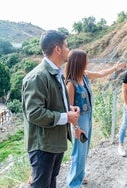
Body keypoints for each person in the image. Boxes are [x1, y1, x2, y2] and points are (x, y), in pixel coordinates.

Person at [22, 30, 80, 188]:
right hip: (43, 146)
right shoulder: (37, 77)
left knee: (51, 182)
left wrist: (69, 108)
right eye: (66, 46)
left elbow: (54, 102)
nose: (69, 50)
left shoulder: (56, 74)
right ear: (58, 49)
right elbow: (34, 113)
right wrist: (65, 117)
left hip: (54, 142)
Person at [64, 49, 126, 188]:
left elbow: (101, 73)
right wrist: (76, 128)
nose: (88, 62)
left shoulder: (84, 75)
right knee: (79, 152)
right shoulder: (70, 84)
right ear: (79, 62)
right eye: (86, 59)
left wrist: (115, 68)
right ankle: (73, 183)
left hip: (88, 117)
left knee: (84, 150)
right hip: (79, 121)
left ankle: (80, 175)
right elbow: (70, 109)